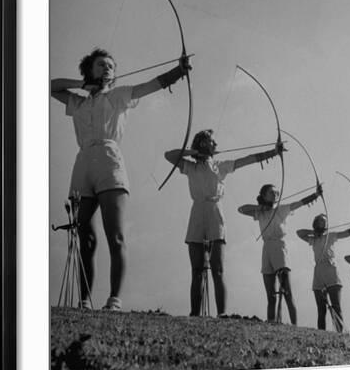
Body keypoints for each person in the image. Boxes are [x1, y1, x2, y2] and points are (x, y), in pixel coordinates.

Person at [51, 48, 191, 311]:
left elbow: (151, 85)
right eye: (101, 65)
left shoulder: (119, 95)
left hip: (109, 160)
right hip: (82, 163)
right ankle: (83, 300)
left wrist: (179, 71)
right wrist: (81, 85)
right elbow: (50, 86)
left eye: (111, 67)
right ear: (89, 70)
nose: (107, 69)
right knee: (85, 237)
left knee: (115, 235)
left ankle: (114, 299)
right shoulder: (78, 102)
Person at [165, 130, 284, 317]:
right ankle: (194, 314)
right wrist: (194, 153)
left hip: (214, 212)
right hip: (197, 212)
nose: (216, 145)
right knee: (196, 268)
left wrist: (273, 152)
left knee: (217, 268)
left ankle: (222, 314)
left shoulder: (220, 166)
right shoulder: (190, 167)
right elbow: (169, 155)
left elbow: (247, 159)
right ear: (202, 144)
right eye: (211, 142)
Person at [238, 184, 322, 324]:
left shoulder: (281, 209)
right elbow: (241, 209)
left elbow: (299, 203)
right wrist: (260, 207)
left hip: (279, 247)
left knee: (287, 291)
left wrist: (315, 195)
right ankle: (272, 322)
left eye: (277, 192)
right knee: (271, 294)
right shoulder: (261, 212)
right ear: (264, 196)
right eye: (272, 192)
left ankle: (294, 325)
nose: (276, 194)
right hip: (267, 248)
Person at [296, 215, 350, 332]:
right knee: (321, 309)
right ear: (316, 224)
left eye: (325, 222)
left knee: (336, 307)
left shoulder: (331, 235)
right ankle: (322, 334)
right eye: (321, 222)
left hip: (331, 272)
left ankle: (339, 334)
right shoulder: (313, 239)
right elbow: (299, 233)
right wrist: (314, 232)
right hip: (318, 273)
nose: (324, 224)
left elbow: (346, 233)